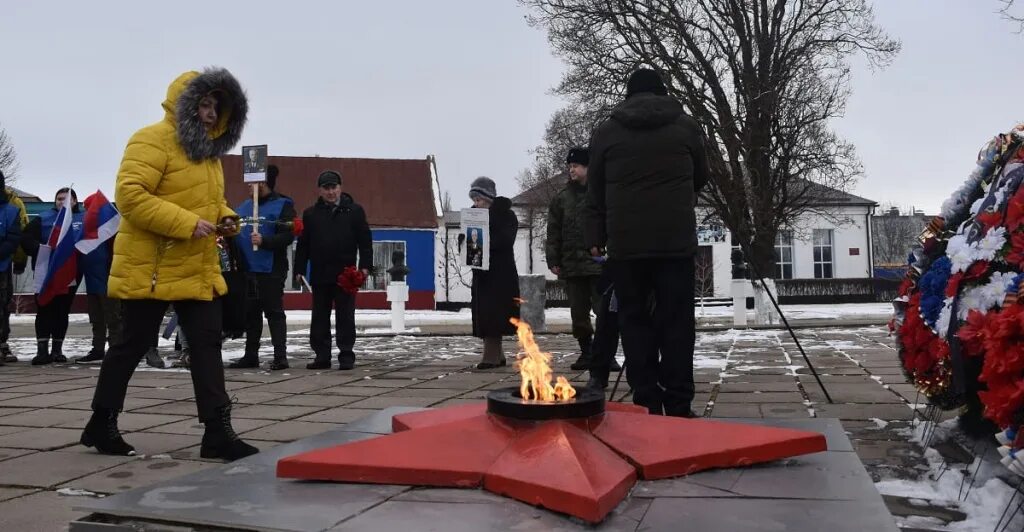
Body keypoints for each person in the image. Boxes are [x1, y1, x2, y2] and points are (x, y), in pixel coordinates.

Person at [81, 68, 258, 461]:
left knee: (208, 344)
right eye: (204, 103)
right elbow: (129, 196)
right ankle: (101, 421)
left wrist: (226, 217)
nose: (211, 113)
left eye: (217, 106)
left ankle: (218, 432)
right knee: (132, 344)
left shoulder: (208, 154)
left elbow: (206, 202)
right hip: (152, 265)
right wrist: (186, 223)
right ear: (185, 102)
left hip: (197, 265)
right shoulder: (151, 139)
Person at [584, 68, 709, 417]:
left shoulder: (606, 132)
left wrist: (596, 237)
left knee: (634, 323)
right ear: (663, 92)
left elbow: (594, 191)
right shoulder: (686, 126)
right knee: (678, 324)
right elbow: (702, 175)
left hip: (626, 246)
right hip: (675, 242)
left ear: (629, 94)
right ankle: (680, 404)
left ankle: (648, 403)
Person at [294, 170, 372, 370]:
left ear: (340, 188)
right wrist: (299, 269)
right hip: (320, 273)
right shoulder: (311, 214)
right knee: (319, 317)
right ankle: (322, 355)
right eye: (326, 188)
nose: (330, 192)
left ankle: (346, 355)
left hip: (346, 275)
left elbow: (365, 242)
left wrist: (365, 267)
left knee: (345, 316)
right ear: (320, 190)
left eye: (334, 187)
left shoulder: (354, 211)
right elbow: (303, 244)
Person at [546, 147, 610, 372]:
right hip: (572, 266)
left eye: (576, 166)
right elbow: (553, 231)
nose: (571, 170)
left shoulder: (601, 194)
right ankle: (586, 352)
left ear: (588, 167)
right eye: (570, 166)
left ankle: (606, 353)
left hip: (597, 265)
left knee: (604, 311)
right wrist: (553, 258)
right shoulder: (562, 199)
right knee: (578, 314)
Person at [229, 165, 295, 370]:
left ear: (265, 183)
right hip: (247, 269)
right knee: (251, 314)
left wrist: (265, 240)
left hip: (271, 269)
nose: (250, 186)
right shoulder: (243, 207)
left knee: (274, 313)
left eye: (255, 182)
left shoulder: (283, 205)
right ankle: (251, 355)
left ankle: (280, 356)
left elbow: (288, 235)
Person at [24, 188, 83, 365]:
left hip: (69, 274)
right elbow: (26, 239)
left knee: (61, 311)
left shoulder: (83, 220)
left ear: (74, 202)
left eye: (66, 199)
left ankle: (57, 350)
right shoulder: (42, 219)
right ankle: (42, 351)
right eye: (59, 199)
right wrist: (41, 249)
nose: (62, 201)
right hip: (45, 273)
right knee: (44, 309)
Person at [467, 177, 519, 370]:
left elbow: (505, 240)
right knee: (486, 314)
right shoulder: (472, 217)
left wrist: (482, 240)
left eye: (479, 199)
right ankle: (498, 355)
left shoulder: (506, 215)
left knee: (494, 314)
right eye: (474, 200)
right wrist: (466, 243)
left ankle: (491, 357)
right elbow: (467, 243)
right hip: (481, 273)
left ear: (489, 198)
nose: (476, 203)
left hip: (500, 273)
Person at [75, 232, 123, 364]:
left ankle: (116, 349)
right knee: (96, 317)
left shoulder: (109, 223)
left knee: (113, 316)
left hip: (108, 277)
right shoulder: (89, 225)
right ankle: (98, 348)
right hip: (92, 277)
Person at [0, 174, 27, 364]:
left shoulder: (11, 209)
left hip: (1, 266)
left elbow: (14, 237)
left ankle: (2, 344)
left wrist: (19, 260)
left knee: (2, 307)